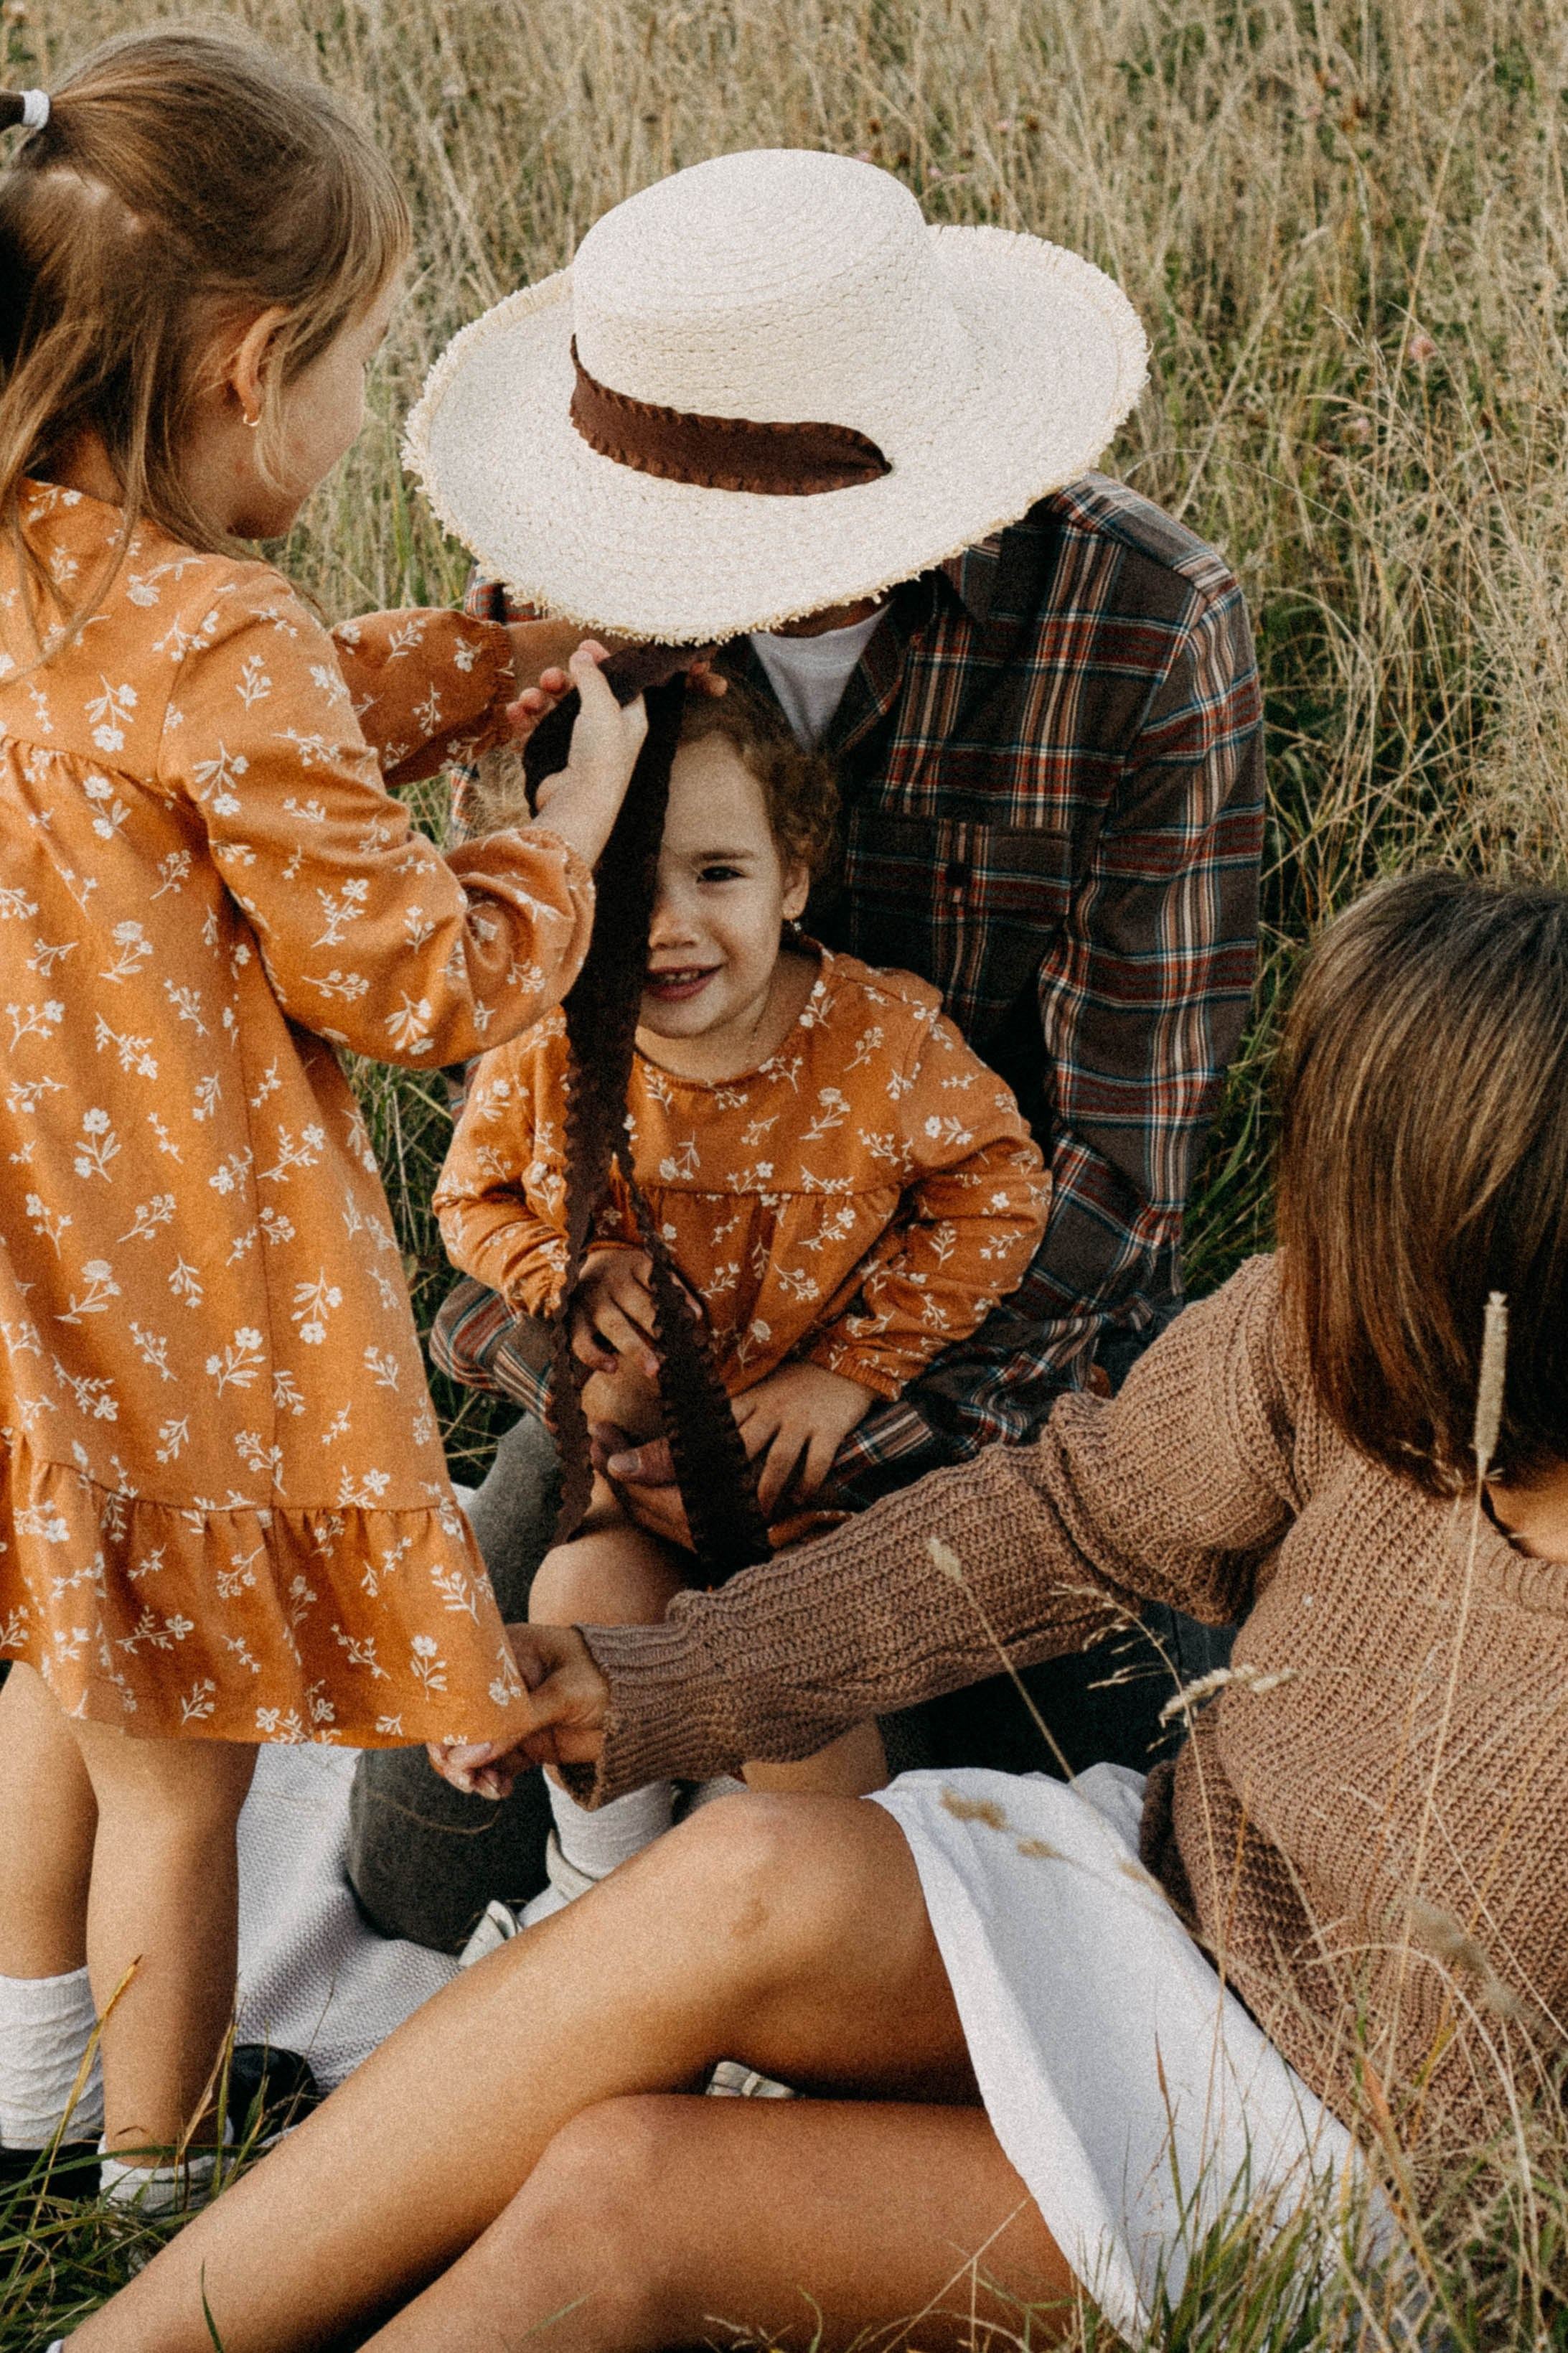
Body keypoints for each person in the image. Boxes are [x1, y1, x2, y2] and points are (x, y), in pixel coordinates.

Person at [65, 865, 1560, 2353]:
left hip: (1336, 2170)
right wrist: (646, 1680)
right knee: (744, 1867)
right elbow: (1068, 1514)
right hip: (1172, 1900)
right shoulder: (1333, 1333)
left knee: (624, 2194)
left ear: (1471, 1239)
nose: (1315, 1244)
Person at [349, 145, 1265, 1950]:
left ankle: (768, 1957)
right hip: (657, 1355)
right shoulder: (574, 618)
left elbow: (1118, 1181)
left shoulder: (1144, 627)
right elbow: (516, 1101)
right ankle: (622, 1933)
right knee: (419, 1864)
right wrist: (589, 1381)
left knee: (1080, 1863)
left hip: (988, 1369)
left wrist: (855, 1415)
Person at [0, 32, 647, 2207]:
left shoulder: (42, 582)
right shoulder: (222, 629)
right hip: (176, 1315)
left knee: (57, 1692)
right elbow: (419, 978)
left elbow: (258, 720)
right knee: (188, 1782)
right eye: (364, 366)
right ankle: (153, 2195)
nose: (368, 415)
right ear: (249, 365)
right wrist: (557, 826)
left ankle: (16, 2100)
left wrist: (470, 662)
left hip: (26, 1295)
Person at [432, 683, 1048, 1914]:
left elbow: (1000, 1191)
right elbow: (471, 1198)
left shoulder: (876, 1044)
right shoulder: (550, 1041)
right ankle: (600, 1900)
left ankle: (804, 1943)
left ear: (794, 880)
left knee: (785, 1693)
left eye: (719, 875)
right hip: (635, 1472)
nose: (668, 926)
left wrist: (851, 1372)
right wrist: (566, 1272)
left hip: (800, 1498)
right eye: (623, 885)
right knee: (572, 1603)